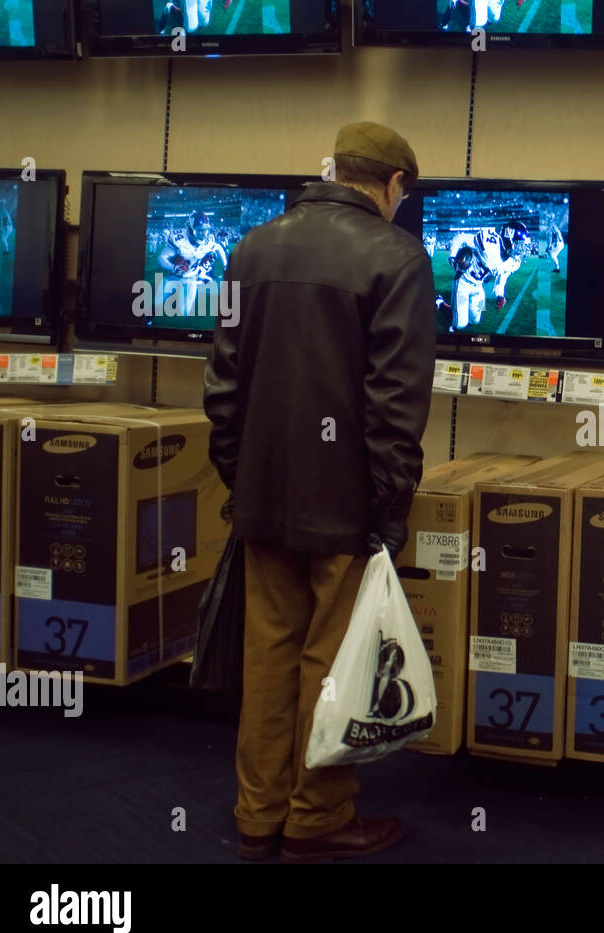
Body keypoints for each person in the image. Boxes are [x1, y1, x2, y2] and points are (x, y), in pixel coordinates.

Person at [204, 121, 434, 864]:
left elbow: (222, 383)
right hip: (344, 504)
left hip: (264, 497)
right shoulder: (397, 256)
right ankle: (317, 818)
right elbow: (395, 405)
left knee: (269, 656)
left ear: (334, 171)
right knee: (331, 663)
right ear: (393, 185)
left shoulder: (253, 247)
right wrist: (390, 510)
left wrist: (239, 478)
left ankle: (257, 814)